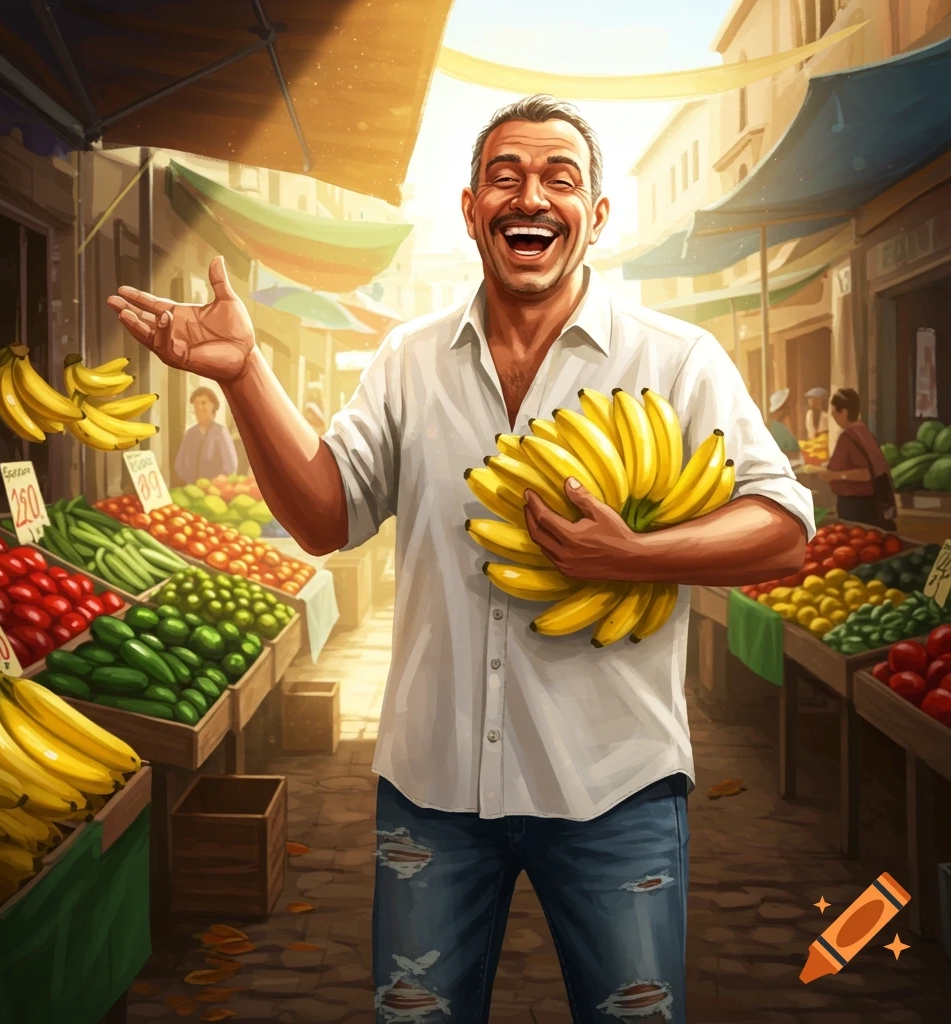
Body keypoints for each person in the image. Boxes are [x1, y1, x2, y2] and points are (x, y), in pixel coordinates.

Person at [109, 95, 812, 1024]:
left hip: (614, 787)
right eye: (506, 175)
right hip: (432, 791)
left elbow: (783, 526)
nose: (533, 195)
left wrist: (636, 555)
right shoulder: (407, 361)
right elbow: (326, 518)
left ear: (595, 216)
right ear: (474, 207)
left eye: (561, 178)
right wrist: (246, 375)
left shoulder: (676, 361)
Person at [816, 387, 893, 527]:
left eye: (835, 414)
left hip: (856, 504)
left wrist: (834, 476)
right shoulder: (862, 430)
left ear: (844, 412)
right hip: (871, 501)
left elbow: (865, 474)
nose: (834, 418)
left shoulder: (848, 436)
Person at [173, 386, 238, 484]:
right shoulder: (190, 434)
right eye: (196, 404)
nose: (199, 407)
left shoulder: (221, 432)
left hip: (215, 491)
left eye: (204, 403)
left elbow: (231, 466)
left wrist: (220, 482)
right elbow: (179, 463)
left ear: (213, 406)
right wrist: (188, 479)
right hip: (193, 490)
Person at [767, 388, 803, 465]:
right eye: (788, 402)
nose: (791, 405)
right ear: (782, 405)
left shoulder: (779, 425)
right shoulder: (777, 428)